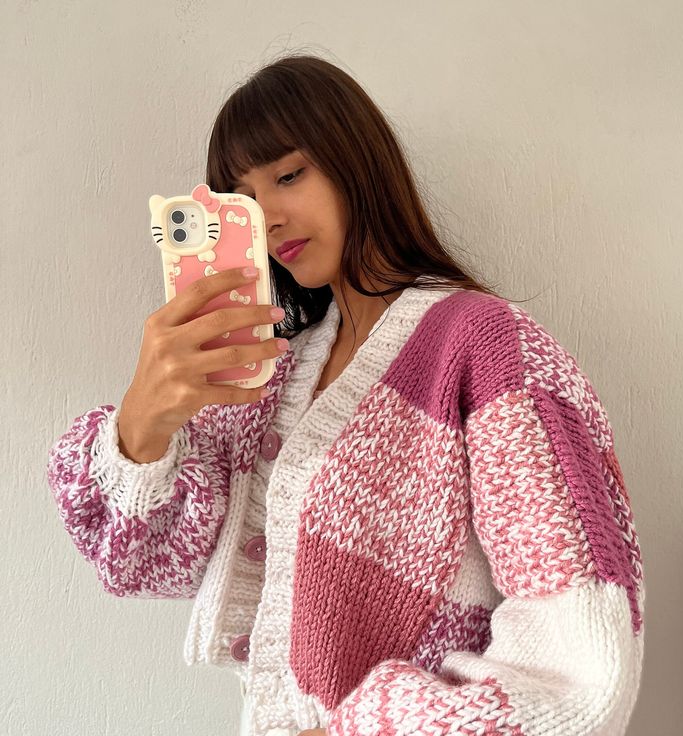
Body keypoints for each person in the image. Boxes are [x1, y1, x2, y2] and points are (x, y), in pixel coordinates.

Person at [46, 53, 645, 736]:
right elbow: (140, 564)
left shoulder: (483, 346)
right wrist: (144, 423)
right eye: (242, 198)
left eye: (290, 174)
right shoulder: (267, 382)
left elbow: (580, 671)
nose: (267, 218)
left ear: (357, 159)